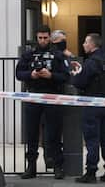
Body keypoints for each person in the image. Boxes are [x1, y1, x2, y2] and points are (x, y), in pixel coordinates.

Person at [16, 25, 70, 180]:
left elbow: (66, 76)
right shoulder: (29, 55)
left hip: (52, 96)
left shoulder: (58, 55)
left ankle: (58, 167)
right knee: (31, 133)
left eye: (45, 37)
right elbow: (19, 73)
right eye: (40, 38)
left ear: (50, 38)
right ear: (36, 37)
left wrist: (51, 76)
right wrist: (31, 75)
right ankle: (31, 167)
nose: (43, 40)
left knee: (54, 133)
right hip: (33, 95)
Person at [71, 33, 105, 183]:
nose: (83, 45)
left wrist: (75, 75)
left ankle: (91, 172)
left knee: (92, 139)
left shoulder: (91, 62)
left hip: (92, 104)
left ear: (92, 45)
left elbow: (80, 82)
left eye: (85, 42)